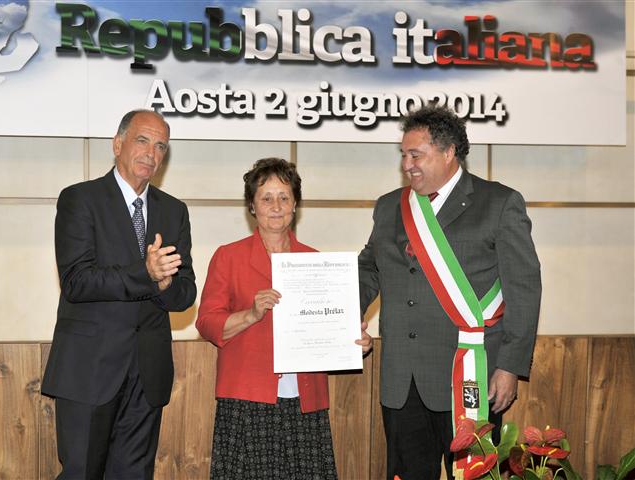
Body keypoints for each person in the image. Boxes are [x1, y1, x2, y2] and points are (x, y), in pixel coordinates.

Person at [358, 105, 541, 480]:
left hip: (470, 375)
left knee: (474, 475)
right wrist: (341, 315)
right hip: (402, 379)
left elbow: (524, 290)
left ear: (448, 152)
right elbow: (368, 269)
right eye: (403, 155)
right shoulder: (390, 206)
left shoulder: (499, 203)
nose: (407, 165)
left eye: (416, 155)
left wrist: (510, 366)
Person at [41, 110, 196, 479]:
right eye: (142, 141)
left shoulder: (174, 210)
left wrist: (164, 285)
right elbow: (77, 281)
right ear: (117, 144)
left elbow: (186, 292)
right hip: (90, 370)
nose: (151, 153)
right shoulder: (80, 199)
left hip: (148, 374)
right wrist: (145, 274)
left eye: (161, 146)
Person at [196, 158, 372, 480]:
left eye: (284, 197)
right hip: (248, 399)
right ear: (252, 206)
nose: (276, 207)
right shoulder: (228, 257)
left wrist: (354, 343)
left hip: (306, 400)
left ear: (295, 205)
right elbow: (206, 323)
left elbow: (331, 329)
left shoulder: (316, 261)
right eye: (266, 198)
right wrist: (251, 314)